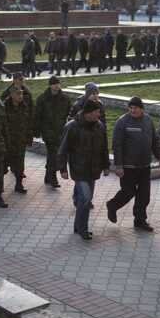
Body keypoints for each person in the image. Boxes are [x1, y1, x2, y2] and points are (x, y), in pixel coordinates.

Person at [106, 96, 160, 231]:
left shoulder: (148, 120)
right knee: (128, 192)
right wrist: (118, 166)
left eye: (135, 108)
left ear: (141, 108)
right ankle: (112, 206)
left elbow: (154, 141)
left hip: (144, 165)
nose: (132, 110)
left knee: (144, 195)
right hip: (128, 166)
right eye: (130, 108)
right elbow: (117, 145)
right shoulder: (122, 122)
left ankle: (140, 220)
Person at [58, 99, 109, 240]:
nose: (99, 114)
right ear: (89, 113)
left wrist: (106, 166)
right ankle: (83, 229)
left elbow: (104, 148)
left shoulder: (99, 126)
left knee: (84, 199)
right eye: (97, 112)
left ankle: (77, 226)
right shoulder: (72, 127)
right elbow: (62, 149)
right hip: (79, 170)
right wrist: (62, 168)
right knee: (86, 198)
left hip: (93, 170)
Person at [35, 76, 72, 188]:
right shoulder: (42, 98)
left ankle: (48, 176)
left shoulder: (65, 98)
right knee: (53, 154)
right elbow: (38, 116)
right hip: (48, 131)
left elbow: (68, 114)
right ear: (50, 85)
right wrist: (37, 131)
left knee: (52, 155)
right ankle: (53, 178)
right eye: (54, 84)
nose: (56, 86)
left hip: (60, 131)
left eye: (58, 83)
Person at [4, 86, 34, 195]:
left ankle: (19, 184)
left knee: (20, 165)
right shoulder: (4, 107)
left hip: (20, 141)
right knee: (3, 166)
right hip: (8, 142)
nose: (20, 96)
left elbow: (28, 122)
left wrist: (29, 138)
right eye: (17, 94)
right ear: (11, 95)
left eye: (21, 94)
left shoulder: (24, 106)